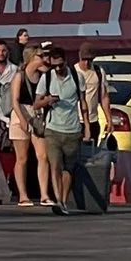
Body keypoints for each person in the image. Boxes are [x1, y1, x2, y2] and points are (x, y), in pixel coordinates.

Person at [35, 46, 85, 214]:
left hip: (72, 129)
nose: (57, 69)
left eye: (60, 65)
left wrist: (87, 129)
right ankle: (58, 200)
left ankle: (63, 200)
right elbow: (36, 104)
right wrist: (48, 100)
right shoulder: (46, 78)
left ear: (65, 62)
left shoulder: (77, 77)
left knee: (68, 169)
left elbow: (83, 103)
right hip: (52, 129)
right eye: (54, 66)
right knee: (55, 164)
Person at [5, 48, 43, 206]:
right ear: (31, 58)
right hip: (21, 111)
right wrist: (22, 119)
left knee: (43, 155)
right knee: (22, 157)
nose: (43, 59)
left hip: (37, 114)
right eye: (40, 56)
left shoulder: (42, 76)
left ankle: (45, 194)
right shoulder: (19, 76)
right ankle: (22, 195)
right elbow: (14, 100)